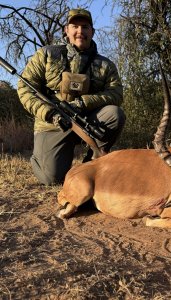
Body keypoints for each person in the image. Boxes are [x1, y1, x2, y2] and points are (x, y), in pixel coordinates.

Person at [17, 8, 125, 185]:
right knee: (52, 179)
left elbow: (116, 93)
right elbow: (24, 88)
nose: (80, 31)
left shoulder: (106, 64)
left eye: (85, 27)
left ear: (92, 31)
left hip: (86, 122)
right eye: (75, 26)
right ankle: (40, 157)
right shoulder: (46, 54)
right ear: (66, 30)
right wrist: (50, 113)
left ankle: (93, 164)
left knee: (115, 114)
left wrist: (83, 103)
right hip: (51, 125)